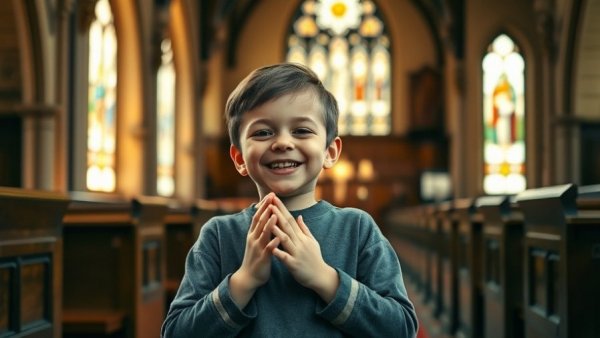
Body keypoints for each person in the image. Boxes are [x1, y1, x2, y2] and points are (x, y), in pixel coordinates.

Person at [161, 63, 418, 337]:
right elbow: (176, 332)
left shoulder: (357, 229)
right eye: (262, 132)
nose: (282, 142)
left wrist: (325, 279)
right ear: (239, 159)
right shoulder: (218, 236)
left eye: (301, 131)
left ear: (330, 151)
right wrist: (243, 281)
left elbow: (401, 329)